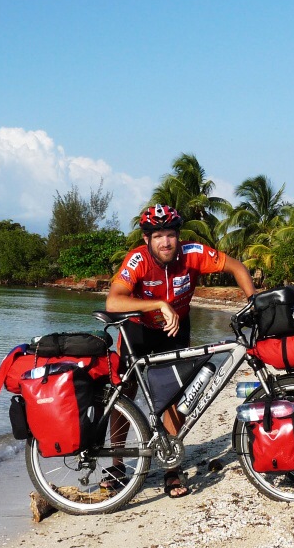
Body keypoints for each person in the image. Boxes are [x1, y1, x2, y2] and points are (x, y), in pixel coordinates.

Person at [106, 204, 255, 498]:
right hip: (138, 328)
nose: (165, 242)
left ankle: (171, 468)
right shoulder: (137, 260)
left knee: (175, 398)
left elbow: (236, 266)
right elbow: (113, 302)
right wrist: (159, 305)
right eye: (158, 235)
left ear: (178, 236)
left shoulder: (193, 254)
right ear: (146, 238)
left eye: (170, 234)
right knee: (125, 392)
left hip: (176, 328)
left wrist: (254, 302)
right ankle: (117, 464)